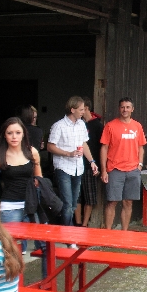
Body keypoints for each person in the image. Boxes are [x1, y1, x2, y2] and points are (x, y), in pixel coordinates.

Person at [0, 117, 42, 255]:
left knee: (44, 245)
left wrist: (40, 195)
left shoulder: (32, 152)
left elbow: (39, 178)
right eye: (9, 133)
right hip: (9, 207)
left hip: (31, 204)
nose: (14, 137)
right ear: (4, 135)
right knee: (10, 250)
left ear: (23, 134)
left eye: (18, 132)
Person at [47, 96, 99, 232]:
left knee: (74, 203)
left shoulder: (81, 124)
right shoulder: (59, 126)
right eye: (81, 109)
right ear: (72, 110)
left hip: (78, 167)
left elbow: (84, 143)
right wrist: (68, 153)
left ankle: (67, 231)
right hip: (63, 167)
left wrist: (92, 161)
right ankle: (68, 233)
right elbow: (50, 147)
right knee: (68, 203)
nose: (83, 112)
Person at [100, 97, 146, 230]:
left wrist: (140, 165)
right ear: (119, 109)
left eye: (127, 107)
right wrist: (104, 170)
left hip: (133, 170)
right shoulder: (110, 126)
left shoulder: (137, 126)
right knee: (112, 202)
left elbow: (141, 147)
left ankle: (124, 233)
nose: (124, 110)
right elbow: (104, 148)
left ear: (132, 109)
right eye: (122, 107)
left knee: (128, 202)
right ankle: (108, 234)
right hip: (115, 169)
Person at [74, 97, 104, 227]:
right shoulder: (77, 123)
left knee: (90, 196)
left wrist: (100, 166)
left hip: (90, 166)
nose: (79, 111)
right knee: (77, 195)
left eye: (81, 108)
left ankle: (85, 225)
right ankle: (78, 223)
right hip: (75, 164)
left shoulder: (97, 125)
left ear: (86, 108)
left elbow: (103, 148)